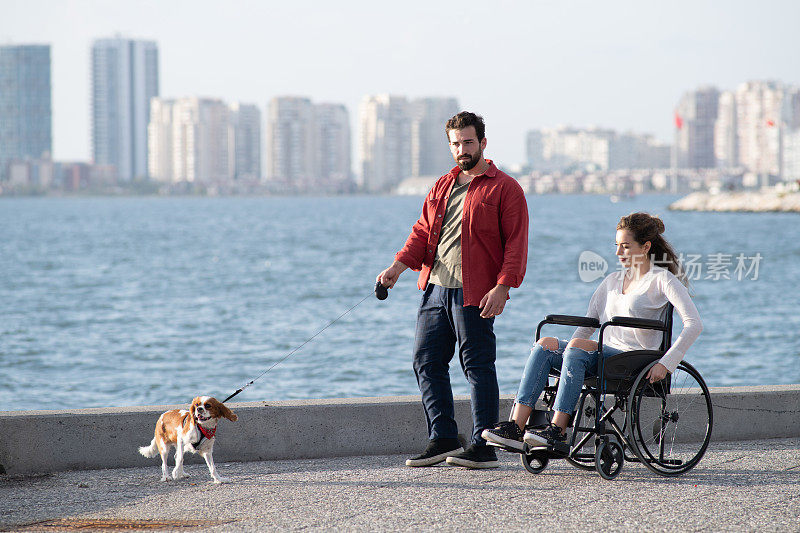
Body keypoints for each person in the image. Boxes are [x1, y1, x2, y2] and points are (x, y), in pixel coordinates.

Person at [377, 111, 529, 469]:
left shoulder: (505, 188)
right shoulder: (442, 186)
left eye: (469, 142)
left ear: (483, 143)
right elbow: (422, 232)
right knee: (426, 361)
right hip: (434, 288)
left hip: (474, 292)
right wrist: (397, 268)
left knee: (477, 365)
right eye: (456, 144)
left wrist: (503, 287)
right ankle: (443, 437)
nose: (463, 149)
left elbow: (516, 245)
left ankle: (483, 444)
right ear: (450, 146)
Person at [482, 212, 702, 452]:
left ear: (646, 246)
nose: (619, 253)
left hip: (636, 359)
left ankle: (558, 431)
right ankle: (516, 427)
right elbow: (588, 325)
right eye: (617, 246)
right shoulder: (612, 281)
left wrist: (667, 363)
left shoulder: (662, 280)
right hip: (605, 355)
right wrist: (566, 351)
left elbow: (694, 324)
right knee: (545, 344)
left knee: (576, 348)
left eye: (626, 247)